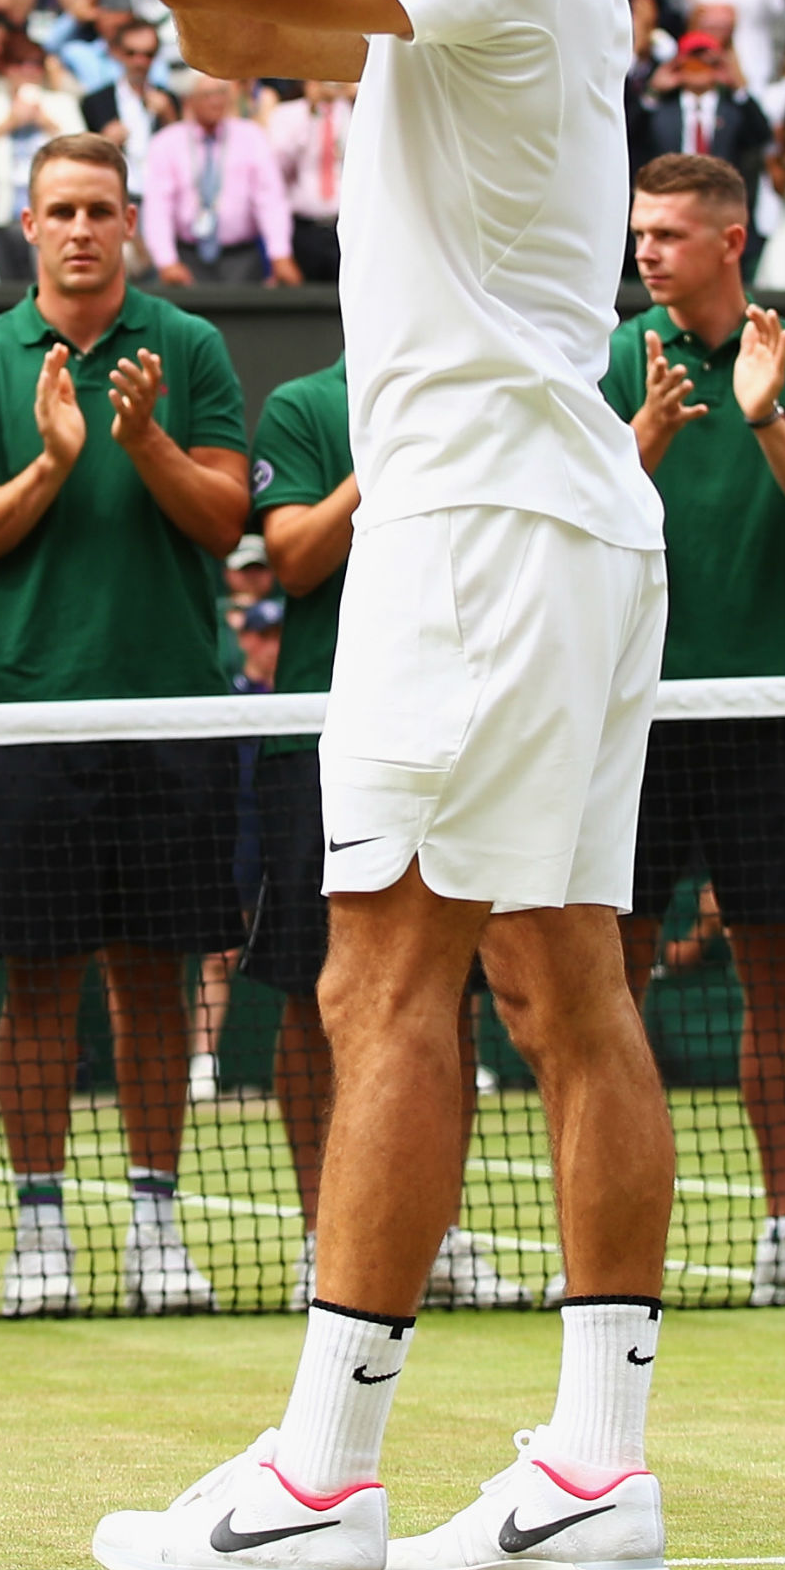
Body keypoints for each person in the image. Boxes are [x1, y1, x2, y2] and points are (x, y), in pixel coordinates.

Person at [77, 0, 686, 1570]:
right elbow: (228, 20)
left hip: (484, 533)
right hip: (569, 529)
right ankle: (593, 1470)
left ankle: (319, 1477)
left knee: (380, 983)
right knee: (562, 988)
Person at [0, 134, 251, 1322]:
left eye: (98, 210)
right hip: (31, 712)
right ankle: (40, 1227)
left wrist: (142, 438)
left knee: (153, 980)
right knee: (39, 983)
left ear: (129, 223)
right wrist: (54, 462)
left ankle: (156, 1220)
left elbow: (225, 522)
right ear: (29, 226)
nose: (78, 229)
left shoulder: (191, 348)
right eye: (58, 210)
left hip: (168, 707)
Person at [608, 153, 785, 1304]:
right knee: (604, 984)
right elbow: (562, 512)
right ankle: (609, 1233)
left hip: (763, 716)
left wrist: (765, 417)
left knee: (782, 978)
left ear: (730, 241)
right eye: (638, 233)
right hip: (625, 711)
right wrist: (649, 434)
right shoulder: (612, 349)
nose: (646, 251)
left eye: (667, 234)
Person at [248, 353, 539, 1314]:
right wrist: (393, 450)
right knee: (312, 994)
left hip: (464, 722)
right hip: (327, 728)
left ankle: (435, 1235)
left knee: (446, 995)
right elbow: (293, 557)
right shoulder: (305, 404)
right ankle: (317, 1237)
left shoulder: (499, 388)